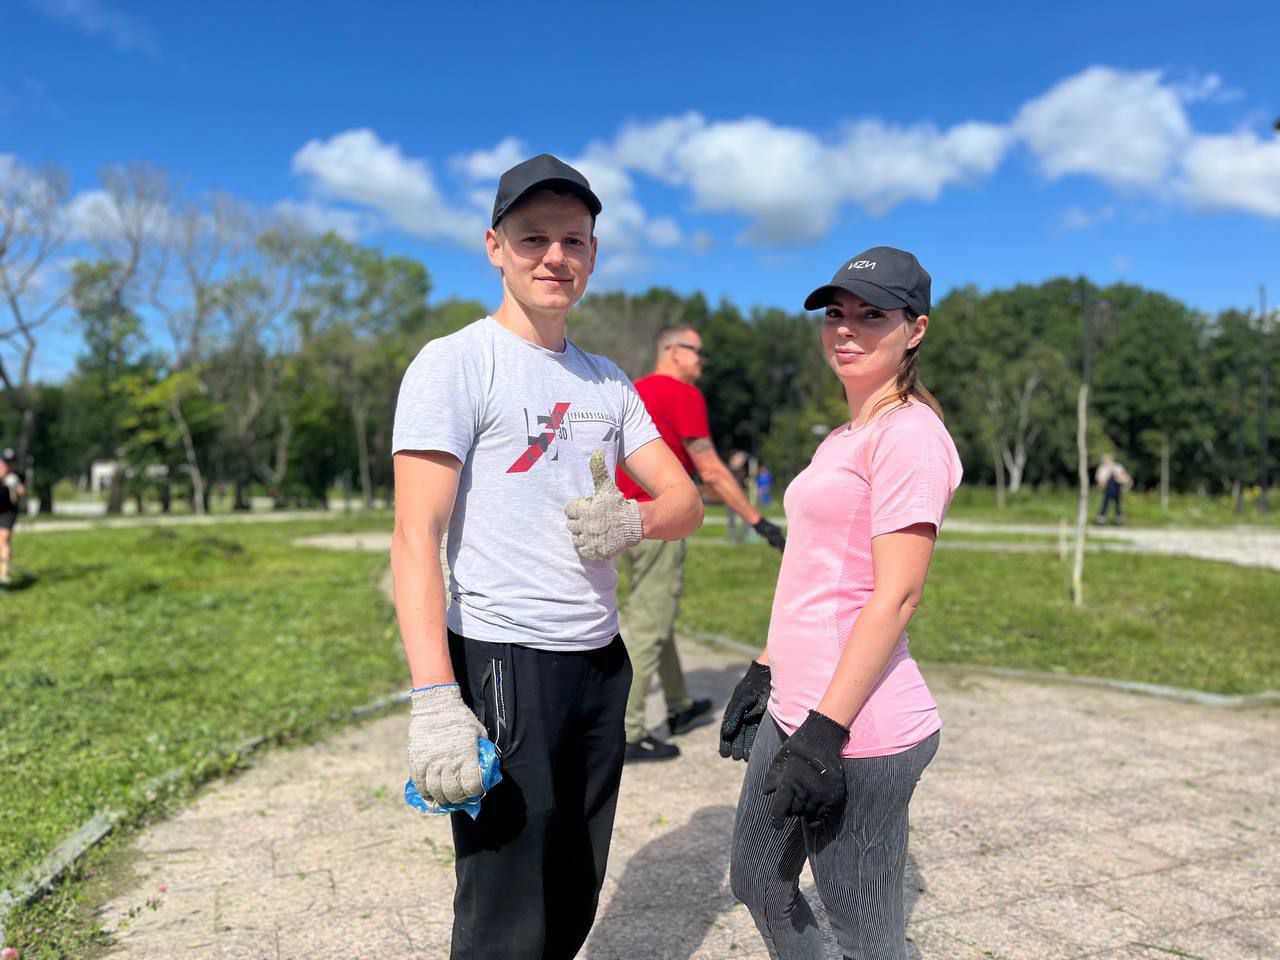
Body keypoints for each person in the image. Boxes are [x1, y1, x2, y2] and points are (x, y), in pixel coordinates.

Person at [390, 153, 702, 960]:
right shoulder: (456, 363)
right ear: (495, 246)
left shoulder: (609, 383)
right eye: (534, 239)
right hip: (503, 660)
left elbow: (684, 502)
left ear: (593, 254)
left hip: (599, 665)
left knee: (572, 889)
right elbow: (414, 537)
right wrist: (432, 697)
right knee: (504, 909)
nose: (554, 257)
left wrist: (629, 523)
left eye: (574, 240)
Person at [719, 246, 962, 960]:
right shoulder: (843, 437)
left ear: (914, 329)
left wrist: (826, 731)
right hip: (796, 704)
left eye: (871, 316)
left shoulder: (910, 435)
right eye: (836, 314)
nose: (846, 331)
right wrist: (764, 669)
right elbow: (812, 568)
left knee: (868, 937)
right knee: (758, 880)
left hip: (858, 728)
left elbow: (898, 594)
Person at [615, 325, 787, 762]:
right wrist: (757, 520)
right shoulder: (682, 394)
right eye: (697, 352)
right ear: (671, 351)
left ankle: (679, 705)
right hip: (660, 522)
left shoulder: (632, 390)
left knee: (656, 614)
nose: (701, 362)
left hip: (625, 521)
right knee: (650, 625)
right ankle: (628, 732)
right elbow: (709, 469)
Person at [0, 449, 26, 586]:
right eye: (5, 462)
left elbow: (17, 498)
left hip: (8, 511)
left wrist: (17, 489)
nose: (8, 466)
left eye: (11, 463)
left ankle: (4, 574)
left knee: (4, 538)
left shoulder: (17, 476)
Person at [1095, 452, 1132, 525]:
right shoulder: (1102, 468)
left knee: (1118, 505)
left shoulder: (1118, 467)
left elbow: (1125, 476)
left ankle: (1118, 519)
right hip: (1107, 488)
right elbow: (1100, 479)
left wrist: (1125, 483)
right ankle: (1101, 519)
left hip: (1117, 488)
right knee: (1105, 504)